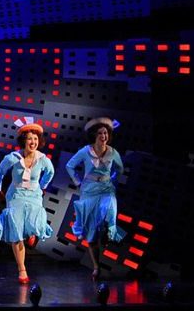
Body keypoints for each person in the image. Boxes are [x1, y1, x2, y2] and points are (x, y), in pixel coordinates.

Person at [0, 118, 55, 284]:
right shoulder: (13, 157)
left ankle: (32, 232)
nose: (33, 142)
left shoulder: (43, 159)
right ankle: (22, 269)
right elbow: (0, 171)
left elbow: (50, 172)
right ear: (23, 141)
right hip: (16, 195)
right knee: (16, 231)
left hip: (34, 195)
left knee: (35, 222)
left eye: (35, 139)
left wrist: (42, 186)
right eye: (29, 139)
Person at [65, 117, 127, 279]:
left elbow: (120, 169)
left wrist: (112, 179)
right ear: (94, 135)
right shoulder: (85, 151)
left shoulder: (113, 152)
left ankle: (107, 233)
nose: (103, 136)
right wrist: (77, 181)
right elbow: (70, 166)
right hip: (89, 191)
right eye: (100, 133)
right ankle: (96, 266)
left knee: (109, 215)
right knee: (91, 232)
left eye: (105, 133)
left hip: (106, 190)